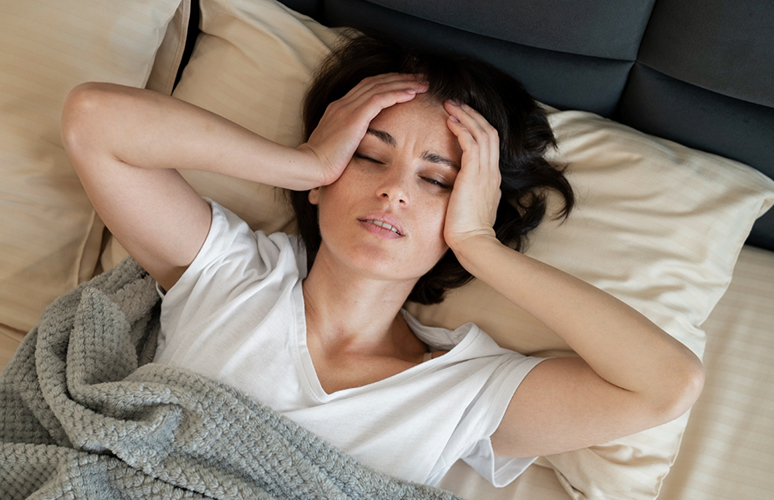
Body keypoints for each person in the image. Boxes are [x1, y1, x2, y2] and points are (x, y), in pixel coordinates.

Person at [60, 33, 703, 488]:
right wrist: (305, 163)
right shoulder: (231, 271)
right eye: (370, 156)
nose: (395, 189)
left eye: (439, 179)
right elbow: (95, 121)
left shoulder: (463, 390)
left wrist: (478, 243)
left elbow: (664, 385)